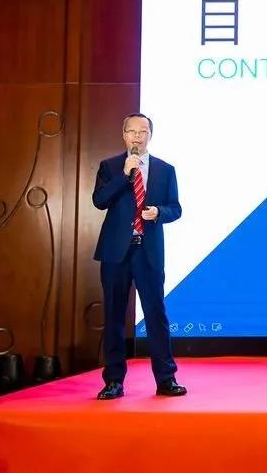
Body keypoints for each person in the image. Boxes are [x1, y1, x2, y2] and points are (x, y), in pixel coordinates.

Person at [92, 113, 186, 399]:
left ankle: (166, 379)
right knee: (114, 315)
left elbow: (176, 208)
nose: (137, 136)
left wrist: (159, 212)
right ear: (124, 135)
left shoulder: (165, 169)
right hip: (116, 252)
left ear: (150, 136)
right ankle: (113, 381)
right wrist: (124, 175)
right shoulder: (110, 167)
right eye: (132, 131)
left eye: (143, 131)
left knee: (156, 314)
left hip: (148, 251)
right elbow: (99, 201)